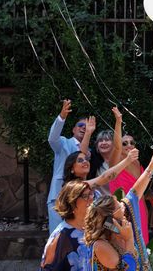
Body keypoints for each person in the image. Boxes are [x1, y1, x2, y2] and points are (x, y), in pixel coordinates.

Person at [48, 100, 87, 233]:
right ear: (74, 129)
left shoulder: (88, 152)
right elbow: (52, 139)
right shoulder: (63, 143)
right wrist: (62, 117)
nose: (84, 128)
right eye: (81, 125)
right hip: (58, 195)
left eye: (87, 127)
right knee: (57, 235)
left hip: (80, 198)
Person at [108, 133, 151, 243]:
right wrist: (118, 120)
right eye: (124, 143)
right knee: (126, 245)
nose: (129, 145)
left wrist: (145, 210)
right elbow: (116, 147)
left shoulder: (137, 162)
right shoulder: (115, 162)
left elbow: (141, 190)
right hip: (123, 209)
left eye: (132, 143)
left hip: (139, 207)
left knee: (142, 244)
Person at [40, 180, 93, 270]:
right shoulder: (62, 236)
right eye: (85, 196)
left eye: (91, 194)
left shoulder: (91, 225)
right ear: (71, 202)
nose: (91, 198)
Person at [84, 195, 137, 271]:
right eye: (119, 207)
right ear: (110, 218)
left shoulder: (117, 234)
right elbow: (127, 268)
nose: (123, 207)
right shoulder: (100, 245)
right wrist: (129, 239)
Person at [79, 108, 123, 196]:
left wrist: (118, 122)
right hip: (100, 204)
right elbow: (82, 153)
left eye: (107, 140)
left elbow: (118, 147)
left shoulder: (121, 159)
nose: (103, 143)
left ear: (114, 144)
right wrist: (88, 132)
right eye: (100, 141)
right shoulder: (94, 160)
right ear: (97, 146)